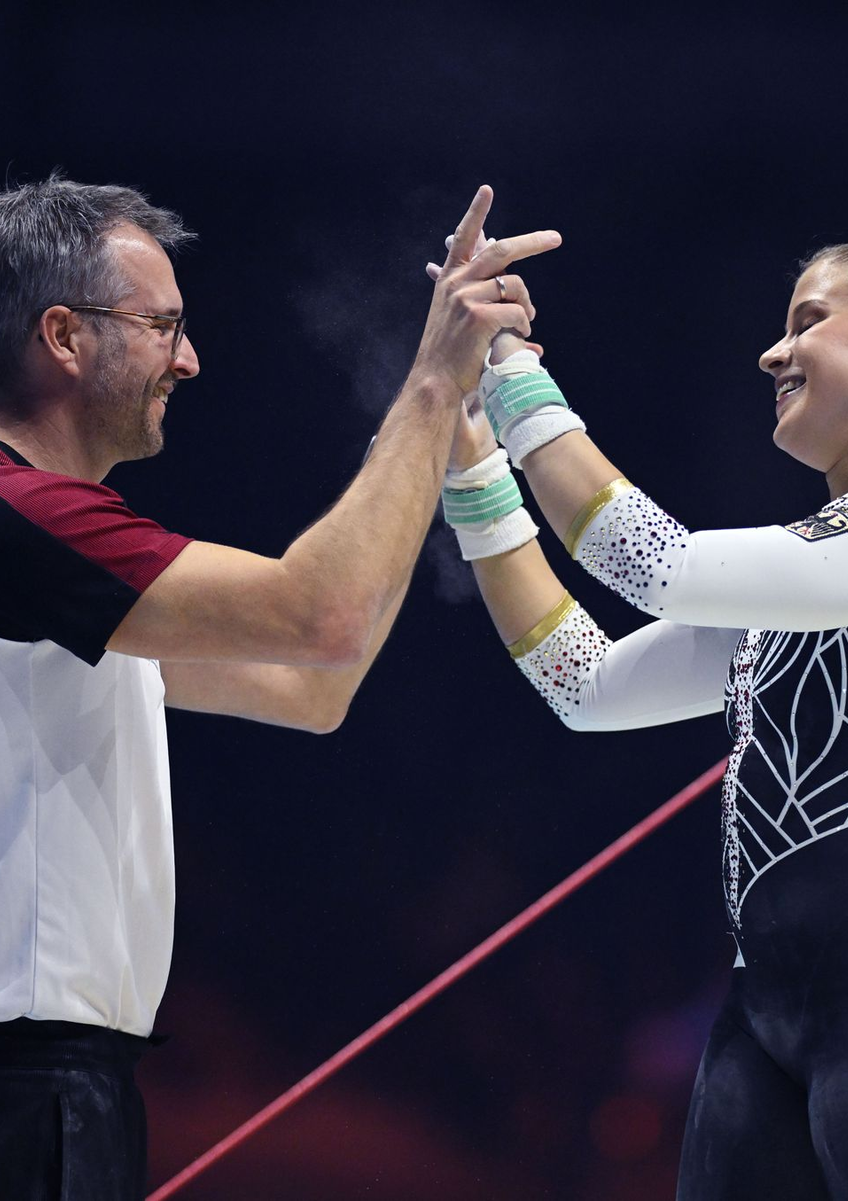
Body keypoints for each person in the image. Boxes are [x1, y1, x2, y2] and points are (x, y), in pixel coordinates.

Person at [440, 238, 848, 1199]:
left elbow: (656, 562)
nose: (774, 352)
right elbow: (586, 684)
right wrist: (471, 460)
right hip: (760, 1015)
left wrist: (513, 366)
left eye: (809, 321)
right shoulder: (821, 581)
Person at [0, 174, 558, 1199]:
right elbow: (322, 615)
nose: (190, 358)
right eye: (163, 325)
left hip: (72, 1080)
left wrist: (438, 429)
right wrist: (430, 382)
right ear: (65, 336)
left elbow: (313, 685)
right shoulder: (21, 517)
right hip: (25, 1082)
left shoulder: (61, 564)